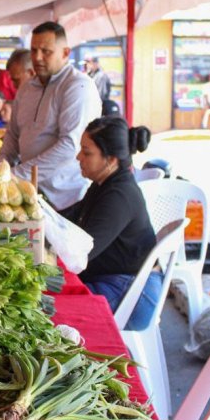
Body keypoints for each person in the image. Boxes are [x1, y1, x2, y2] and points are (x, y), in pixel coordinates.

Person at [0, 21, 101, 214]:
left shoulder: (78, 86)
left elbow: (70, 145)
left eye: (46, 51)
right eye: (34, 50)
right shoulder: (26, 88)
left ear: (65, 53)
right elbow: (12, 135)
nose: (38, 57)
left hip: (66, 197)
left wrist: (16, 174)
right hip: (30, 192)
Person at [68, 117, 160, 331]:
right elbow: (71, 216)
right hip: (113, 279)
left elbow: (81, 254)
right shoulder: (104, 184)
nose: (78, 157)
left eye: (87, 152)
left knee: (54, 309)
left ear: (110, 160)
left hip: (133, 293)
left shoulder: (119, 196)